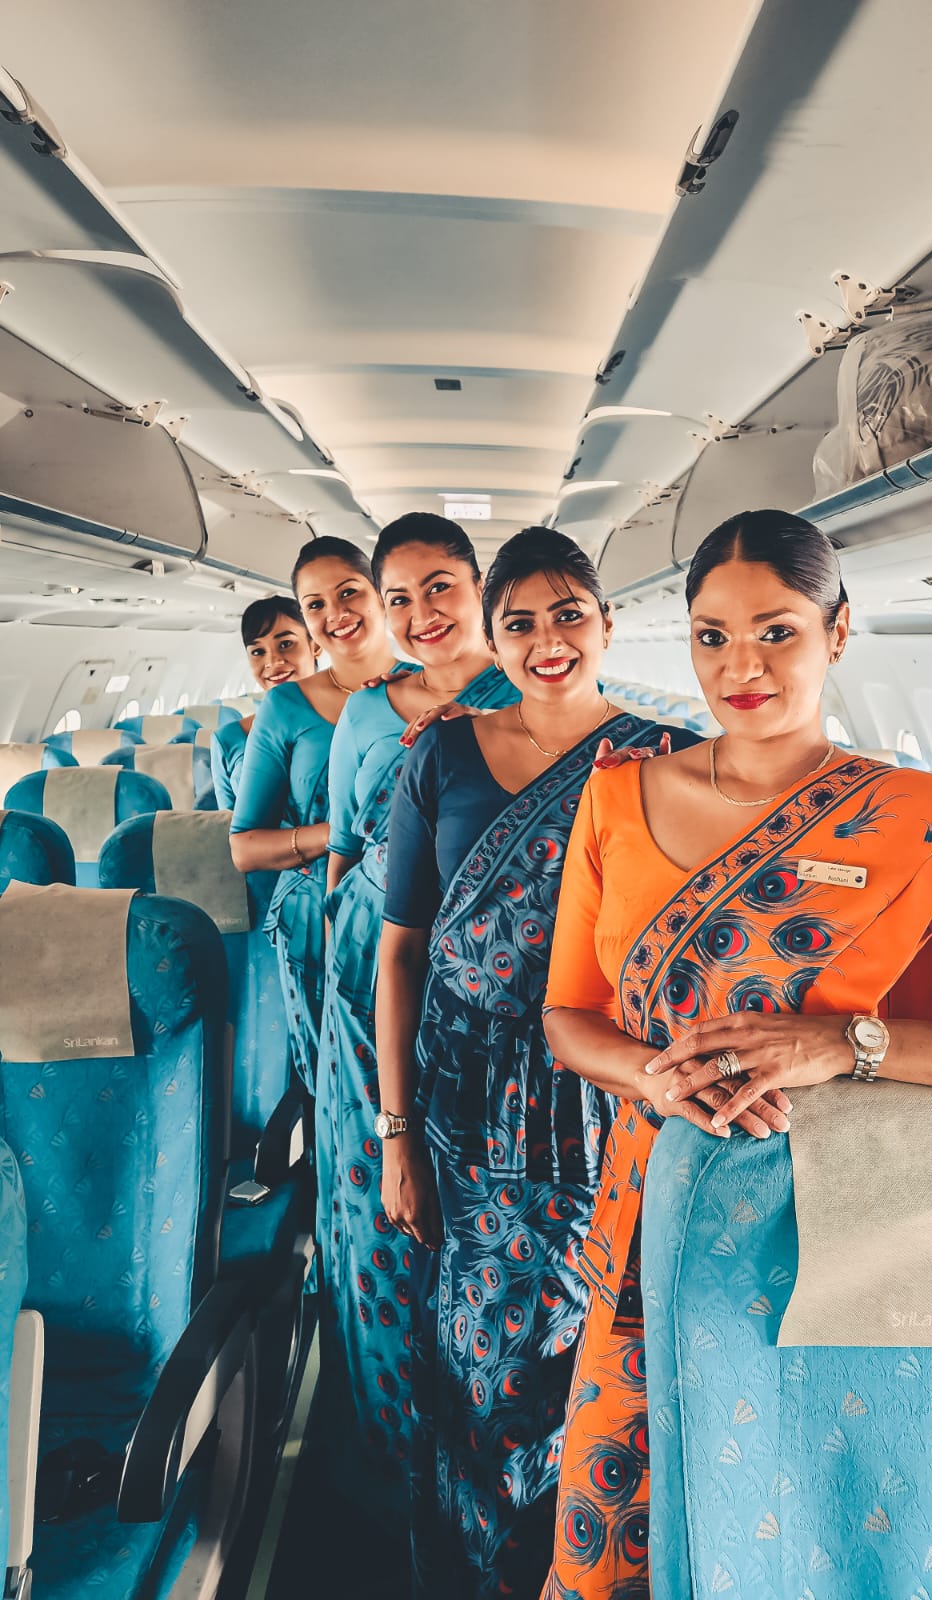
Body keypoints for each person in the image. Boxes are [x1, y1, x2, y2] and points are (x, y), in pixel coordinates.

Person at [539, 509, 932, 1600]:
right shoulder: (616, 798)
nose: (742, 666)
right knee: (617, 1551)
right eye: (711, 636)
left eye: (775, 631)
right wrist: (644, 1073)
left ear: (838, 631)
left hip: (844, 1246)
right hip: (646, 1232)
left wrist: (848, 1044)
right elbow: (569, 1016)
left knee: (795, 1545)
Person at [374, 528, 700, 1599]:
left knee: (591, 1366)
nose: (548, 640)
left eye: (569, 614)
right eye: (520, 621)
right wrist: (397, 1136)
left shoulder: (668, 757)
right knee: (473, 1361)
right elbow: (402, 951)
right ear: (494, 636)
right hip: (464, 1108)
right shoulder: (442, 754)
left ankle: (566, 1572)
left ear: (607, 622)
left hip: (603, 1098)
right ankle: (474, 1568)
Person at [318, 513, 517, 1496]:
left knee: (472, 1201)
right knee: (375, 1201)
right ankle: (390, 1436)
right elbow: (341, 860)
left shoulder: (527, 696)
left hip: (486, 977)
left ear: (479, 586)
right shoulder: (364, 712)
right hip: (371, 970)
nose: (418, 614)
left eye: (439, 586)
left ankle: (480, 1444)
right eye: (397, 598)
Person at [230, 536, 396, 1092]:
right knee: (337, 1085)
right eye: (315, 605)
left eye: (349, 592)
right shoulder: (286, 707)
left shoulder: (430, 685)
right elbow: (245, 846)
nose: (335, 614)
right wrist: (346, 837)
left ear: (379, 594)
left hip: (419, 908)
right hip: (312, 918)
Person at [211, 596, 321, 809]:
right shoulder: (228, 740)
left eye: (286, 644)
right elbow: (228, 828)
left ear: (315, 645)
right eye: (258, 652)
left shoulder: (348, 719)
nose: (273, 662)